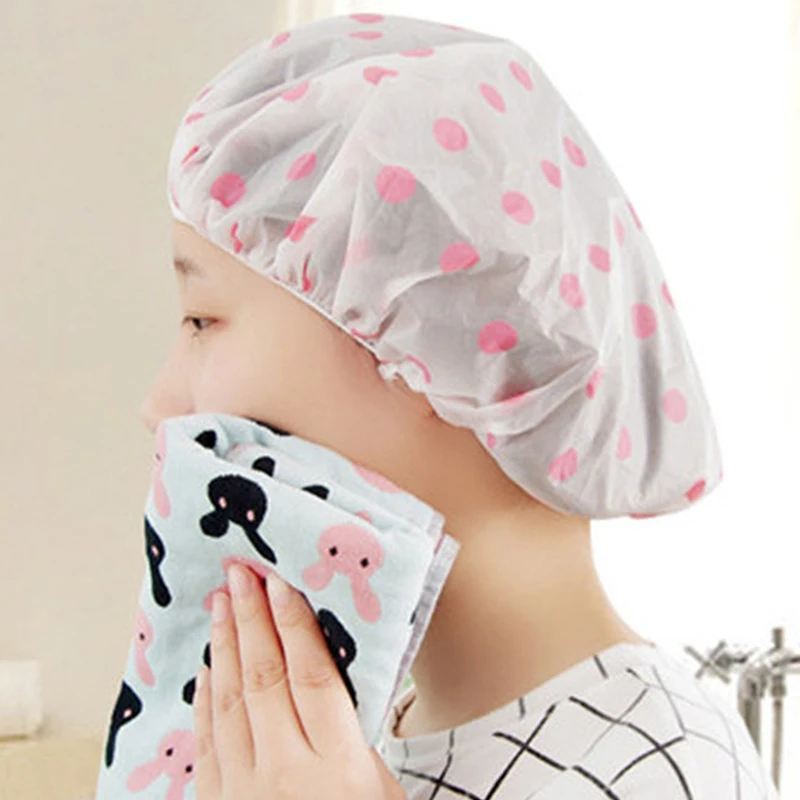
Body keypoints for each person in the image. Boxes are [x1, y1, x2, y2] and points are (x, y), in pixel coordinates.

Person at [139, 11, 781, 798]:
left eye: (202, 320)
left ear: (424, 348)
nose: (161, 408)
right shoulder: (365, 736)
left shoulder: (662, 768)